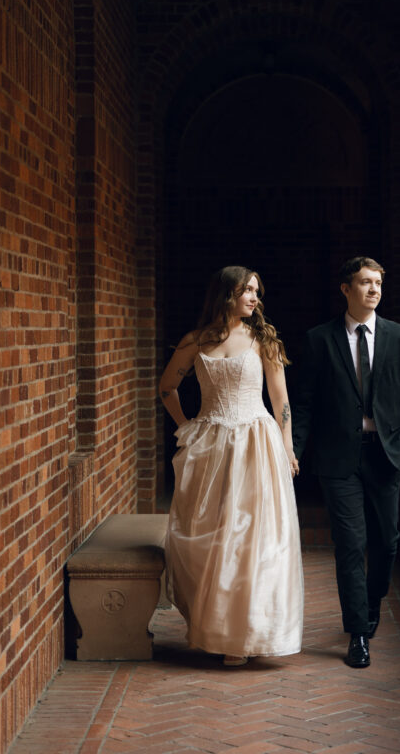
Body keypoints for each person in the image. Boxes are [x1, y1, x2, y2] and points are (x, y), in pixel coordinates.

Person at [158, 265, 303, 666]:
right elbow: (167, 387)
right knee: (214, 535)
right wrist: (187, 426)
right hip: (212, 444)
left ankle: (248, 633)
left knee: (254, 539)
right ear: (227, 294)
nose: (255, 298)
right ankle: (219, 630)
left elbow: (280, 401)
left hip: (256, 442)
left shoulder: (262, 340)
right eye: (247, 291)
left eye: (257, 290)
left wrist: (288, 448)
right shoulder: (195, 341)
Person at [293, 256, 400, 669]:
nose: (373, 290)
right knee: (350, 545)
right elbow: (303, 403)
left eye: (377, 283)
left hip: (386, 455)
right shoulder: (320, 339)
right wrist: (293, 451)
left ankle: (371, 606)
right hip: (338, 460)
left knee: (386, 542)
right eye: (365, 283)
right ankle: (357, 634)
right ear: (345, 289)